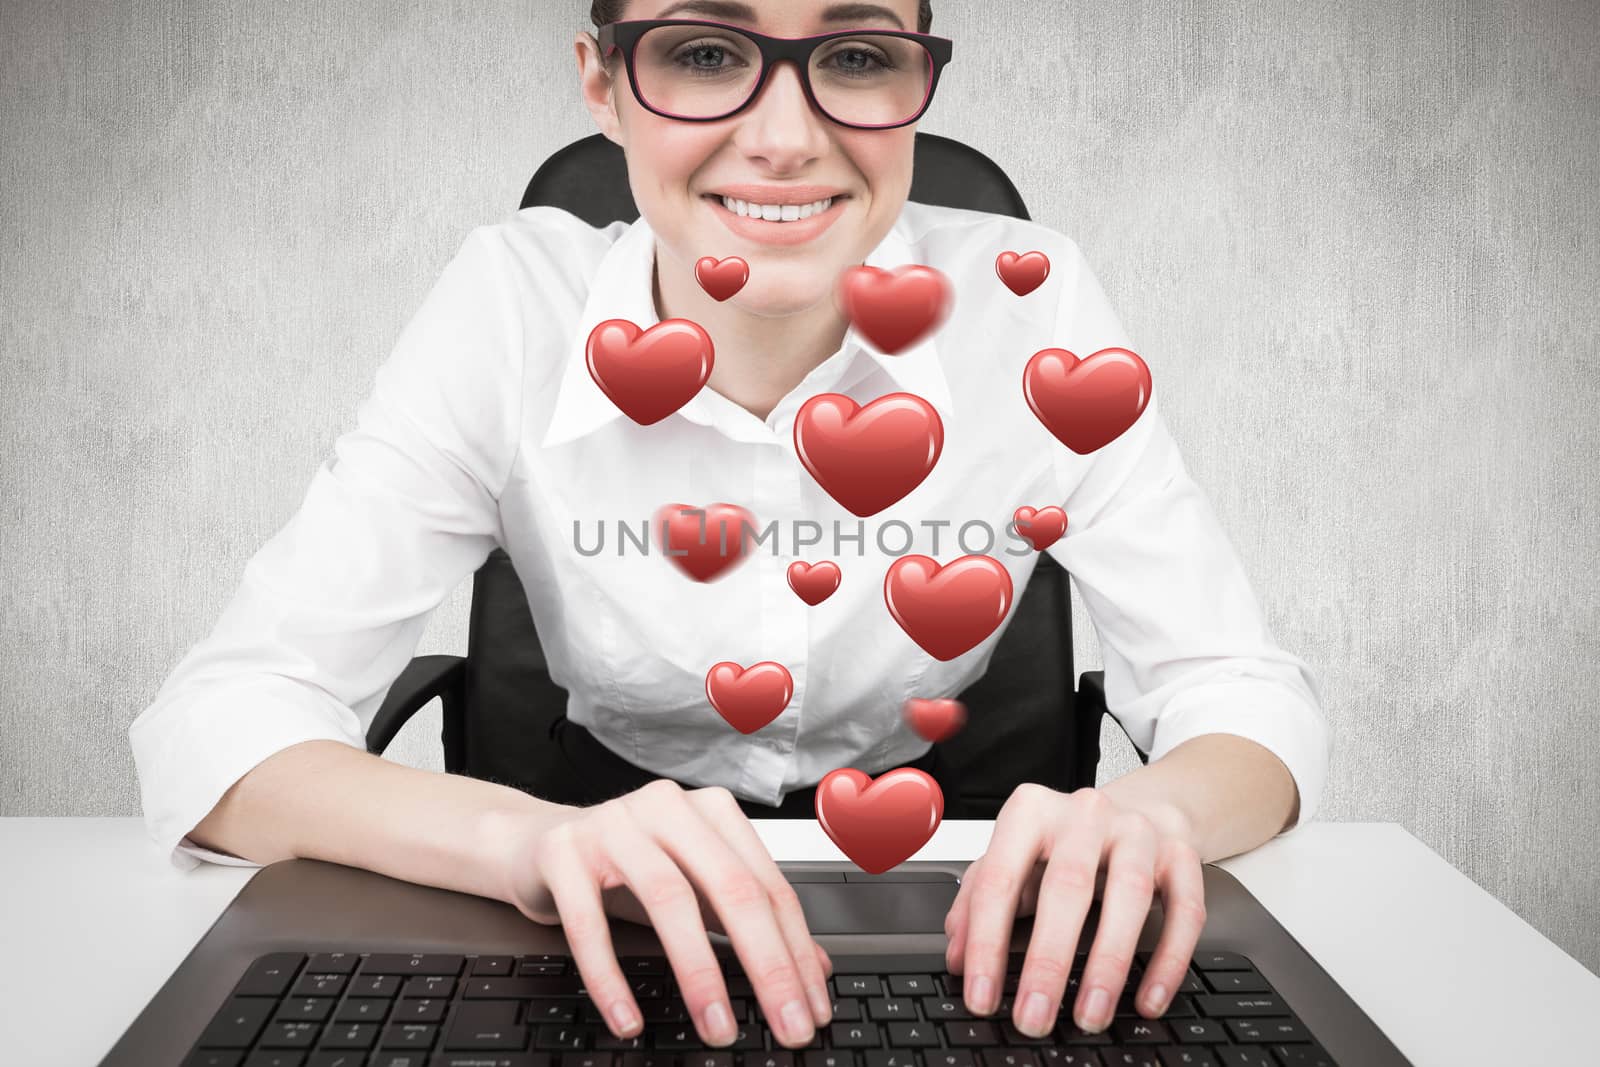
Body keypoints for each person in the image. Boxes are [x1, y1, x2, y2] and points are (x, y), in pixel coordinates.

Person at [128, 0, 1331, 1051]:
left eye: (856, 56)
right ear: (603, 83)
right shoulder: (508, 302)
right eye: (704, 52)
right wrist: (524, 843)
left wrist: (1150, 813)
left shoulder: (1035, 303)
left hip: (952, 906)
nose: (787, 134)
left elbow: (1240, 688)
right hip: (591, 899)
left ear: (918, 80)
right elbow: (219, 724)